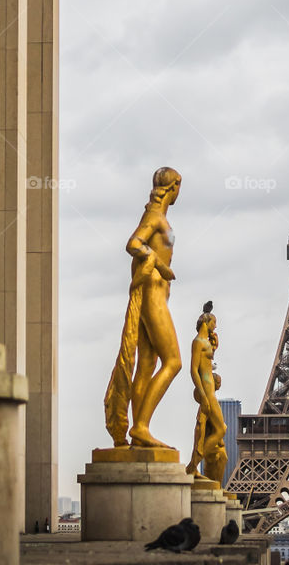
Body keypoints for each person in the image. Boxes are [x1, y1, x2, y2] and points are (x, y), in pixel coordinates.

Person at [104, 167, 182, 448]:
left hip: (157, 294)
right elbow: (133, 243)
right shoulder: (155, 217)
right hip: (154, 295)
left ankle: (140, 432)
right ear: (174, 186)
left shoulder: (159, 217)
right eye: (178, 187)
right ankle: (140, 426)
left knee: (147, 365)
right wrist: (161, 266)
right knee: (174, 361)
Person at [185, 303, 227, 485]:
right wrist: (202, 395)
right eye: (214, 322)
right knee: (221, 429)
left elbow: (206, 365)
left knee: (218, 431)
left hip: (210, 391)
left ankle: (194, 465)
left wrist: (214, 347)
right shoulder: (197, 342)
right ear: (206, 321)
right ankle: (192, 465)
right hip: (207, 393)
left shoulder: (205, 343)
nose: (215, 326)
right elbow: (193, 370)